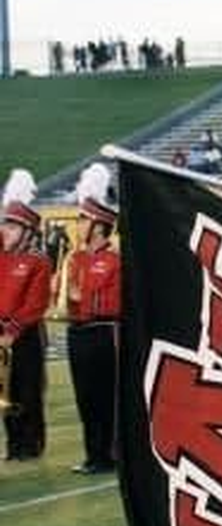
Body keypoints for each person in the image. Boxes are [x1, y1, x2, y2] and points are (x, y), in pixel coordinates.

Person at [65, 164, 121, 474]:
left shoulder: (114, 260)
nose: (79, 224)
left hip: (103, 332)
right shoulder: (75, 258)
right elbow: (68, 300)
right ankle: (92, 455)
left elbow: (114, 303)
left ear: (99, 226)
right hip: (77, 332)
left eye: (84, 219)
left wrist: (82, 297)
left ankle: (109, 454)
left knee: (105, 396)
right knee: (84, 397)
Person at [0, 169, 51, 461]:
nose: (5, 230)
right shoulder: (2, 256)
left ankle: (31, 445)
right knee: (4, 392)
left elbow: (36, 304)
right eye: (5, 224)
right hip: (1, 333)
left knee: (28, 390)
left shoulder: (38, 261)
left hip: (26, 334)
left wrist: (12, 331)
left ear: (27, 231)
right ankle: (13, 443)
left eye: (11, 226)